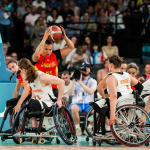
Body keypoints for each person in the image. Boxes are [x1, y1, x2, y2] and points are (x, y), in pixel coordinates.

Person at [93, 55, 143, 135]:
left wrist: (112, 114)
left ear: (111, 65)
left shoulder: (111, 77)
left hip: (119, 101)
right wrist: (137, 97)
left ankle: (108, 127)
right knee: (106, 102)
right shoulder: (127, 75)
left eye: (108, 64)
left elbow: (113, 96)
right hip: (130, 100)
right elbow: (140, 86)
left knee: (96, 106)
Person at [14, 58, 65, 130]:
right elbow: (28, 90)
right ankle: (34, 128)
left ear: (24, 69)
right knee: (30, 102)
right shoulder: (27, 76)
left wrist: (59, 100)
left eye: (20, 70)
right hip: (39, 102)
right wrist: (19, 104)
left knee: (34, 103)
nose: (20, 72)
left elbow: (62, 82)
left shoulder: (42, 77)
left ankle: (40, 127)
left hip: (49, 103)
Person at [32, 26, 74, 97]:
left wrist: (65, 37)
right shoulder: (37, 57)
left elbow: (71, 47)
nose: (48, 52)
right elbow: (36, 53)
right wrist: (44, 38)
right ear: (42, 48)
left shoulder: (55, 55)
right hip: (40, 87)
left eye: (50, 49)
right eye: (46, 49)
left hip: (53, 87)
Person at [67, 61, 97, 135]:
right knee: (73, 108)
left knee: (97, 110)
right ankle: (77, 128)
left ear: (90, 70)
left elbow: (90, 91)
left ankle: (89, 127)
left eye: (88, 68)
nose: (86, 70)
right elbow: (69, 93)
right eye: (84, 68)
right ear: (81, 70)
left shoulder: (93, 81)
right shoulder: (75, 81)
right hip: (77, 103)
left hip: (89, 104)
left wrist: (81, 82)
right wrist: (74, 79)